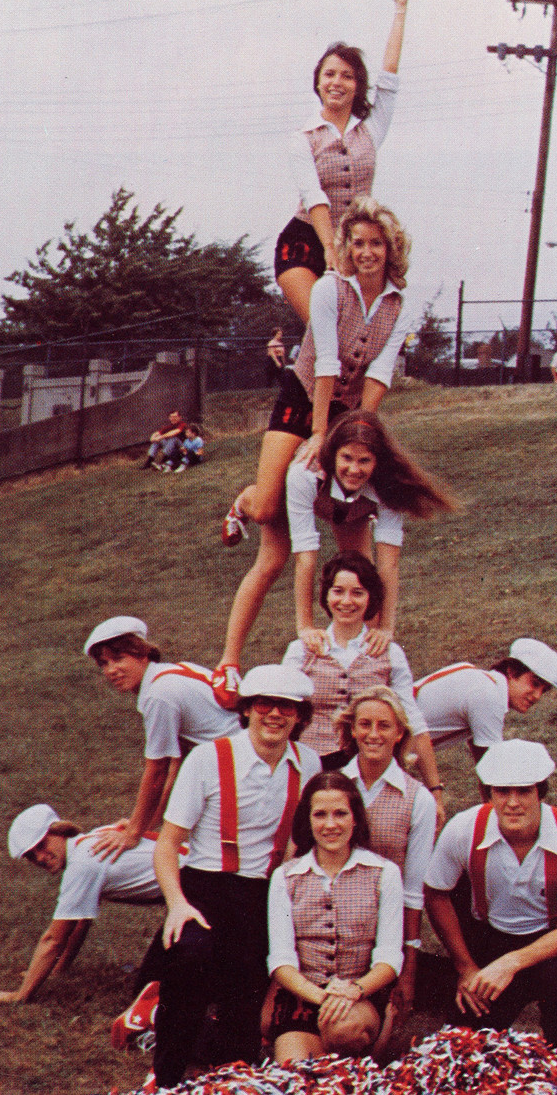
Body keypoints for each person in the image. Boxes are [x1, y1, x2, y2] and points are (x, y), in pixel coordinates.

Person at [214, 199, 415, 708]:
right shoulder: (330, 289)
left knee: (355, 557)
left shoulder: (398, 302)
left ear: (391, 250)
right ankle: (228, 663)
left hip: (347, 416)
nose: (367, 253)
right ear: (346, 248)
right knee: (270, 528)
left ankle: (366, 664)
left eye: (377, 244)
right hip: (305, 399)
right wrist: (320, 437)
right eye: (358, 244)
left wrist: (361, 432)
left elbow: (379, 374)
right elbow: (325, 359)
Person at [151, 665, 321, 1089]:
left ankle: (232, 1078)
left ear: (300, 716)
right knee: (189, 964)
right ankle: (168, 1075)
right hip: (204, 887)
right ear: (247, 709)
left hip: (262, 892)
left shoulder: (309, 762)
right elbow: (168, 843)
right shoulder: (208, 758)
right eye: (265, 704)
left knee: (246, 991)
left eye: (287, 707)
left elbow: (303, 839)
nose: (275, 715)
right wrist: (177, 904)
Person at [424, 739, 557, 1065]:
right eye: (502, 791)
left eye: (524, 791)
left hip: (550, 941)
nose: (513, 803)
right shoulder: (464, 829)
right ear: (488, 793)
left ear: (540, 792)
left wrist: (509, 964)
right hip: (486, 938)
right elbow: (435, 893)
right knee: (463, 1051)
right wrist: (465, 966)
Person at [273, 0, 411, 325]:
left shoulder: (371, 129)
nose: (337, 82)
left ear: (357, 85)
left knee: (352, 338)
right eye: (329, 74)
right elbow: (315, 197)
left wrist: (400, 9)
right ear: (318, 82)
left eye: (347, 76)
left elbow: (390, 77)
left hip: (357, 244)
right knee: (322, 331)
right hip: (305, 241)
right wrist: (331, 251)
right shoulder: (303, 137)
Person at [281, 554, 442, 822]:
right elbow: (283, 713)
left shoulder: (388, 652)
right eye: (338, 591)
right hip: (313, 766)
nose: (346, 601)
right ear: (326, 596)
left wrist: (435, 790)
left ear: (370, 599)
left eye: (357, 592)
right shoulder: (302, 650)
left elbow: (413, 719)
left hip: (370, 765)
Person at [287, 410, 454, 669]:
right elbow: (305, 558)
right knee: (263, 510)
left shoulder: (389, 485)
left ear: (378, 462)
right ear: (333, 454)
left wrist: (386, 628)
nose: (354, 469)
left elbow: (388, 564)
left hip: (348, 507)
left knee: (367, 601)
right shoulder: (303, 474)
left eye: (364, 461)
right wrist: (305, 626)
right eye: (346, 458)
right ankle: (246, 501)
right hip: (298, 495)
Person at [267, 771, 404, 1062]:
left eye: (340, 813)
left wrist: (353, 991)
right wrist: (323, 997)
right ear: (307, 820)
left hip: (360, 995)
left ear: (356, 818)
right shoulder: (286, 877)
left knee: (343, 1031)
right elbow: (281, 961)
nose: (331, 824)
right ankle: (360, 1057)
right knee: (294, 1073)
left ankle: (374, 1038)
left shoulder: (384, 873)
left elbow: (389, 958)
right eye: (320, 815)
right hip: (304, 995)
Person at [0, 804, 172, 1006]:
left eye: (41, 845)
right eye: (30, 855)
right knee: (150, 982)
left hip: (199, 888)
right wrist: (58, 969)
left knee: (149, 991)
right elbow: (80, 921)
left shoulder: (82, 864)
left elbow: (53, 940)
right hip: (192, 884)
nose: (40, 858)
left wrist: (19, 995)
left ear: (59, 831)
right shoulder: (89, 840)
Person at [83, 616, 239, 860]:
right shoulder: (171, 672)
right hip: (232, 759)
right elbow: (177, 761)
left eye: (119, 658)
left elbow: (157, 770)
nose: (111, 670)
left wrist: (134, 832)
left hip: (238, 768)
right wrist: (148, 822)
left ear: (142, 654)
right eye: (104, 664)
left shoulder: (158, 695)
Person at [334, 688, 437, 1025]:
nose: (373, 734)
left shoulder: (417, 799)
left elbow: (413, 891)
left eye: (384, 725)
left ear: (399, 733)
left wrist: (409, 970)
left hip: (384, 928)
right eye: (364, 724)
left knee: (370, 1035)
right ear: (352, 729)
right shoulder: (329, 783)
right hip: (326, 921)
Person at [413, 638, 557, 763]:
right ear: (512, 671)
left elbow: (481, 755)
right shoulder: (489, 696)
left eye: (544, 690)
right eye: (535, 684)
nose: (537, 696)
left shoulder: (478, 677)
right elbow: (492, 768)